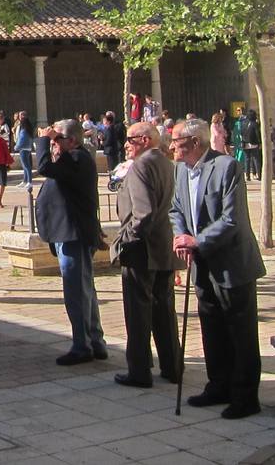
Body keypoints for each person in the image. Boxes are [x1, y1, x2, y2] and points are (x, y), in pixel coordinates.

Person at [169, 118, 266, 419]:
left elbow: (232, 219)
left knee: (240, 331)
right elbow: (176, 208)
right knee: (211, 327)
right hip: (202, 263)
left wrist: (196, 240)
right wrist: (181, 236)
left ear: (195, 143)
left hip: (231, 263)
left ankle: (245, 396)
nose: (171, 147)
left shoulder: (226, 167)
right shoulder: (180, 170)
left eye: (177, 142)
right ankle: (218, 384)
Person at [111, 122, 180, 389]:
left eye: (130, 139)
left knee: (138, 313)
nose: (125, 144)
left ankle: (139, 370)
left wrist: (125, 241)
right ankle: (172, 366)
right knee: (164, 311)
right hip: (162, 246)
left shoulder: (141, 165)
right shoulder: (165, 162)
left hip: (143, 250)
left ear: (144, 140)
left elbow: (144, 213)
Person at [35, 119, 108, 366]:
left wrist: (43, 140)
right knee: (84, 289)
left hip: (72, 235)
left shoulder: (76, 158)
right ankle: (94, 341)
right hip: (68, 232)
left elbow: (43, 167)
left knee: (77, 292)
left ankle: (83, 345)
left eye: (58, 140)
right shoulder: (73, 159)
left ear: (72, 141)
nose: (54, 144)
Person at [239, 109, 263, 181]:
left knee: (247, 160)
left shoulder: (243, 123)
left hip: (245, 143)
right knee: (256, 159)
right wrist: (260, 143)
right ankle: (259, 174)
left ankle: (247, 175)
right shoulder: (254, 124)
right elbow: (257, 134)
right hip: (254, 143)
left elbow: (241, 132)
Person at [14, 113, 35, 189]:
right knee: (25, 166)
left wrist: (16, 147)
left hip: (23, 149)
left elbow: (21, 140)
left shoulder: (24, 131)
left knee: (26, 166)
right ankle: (25, 180)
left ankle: (29, 181)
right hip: (27, 148)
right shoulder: (28, 130)